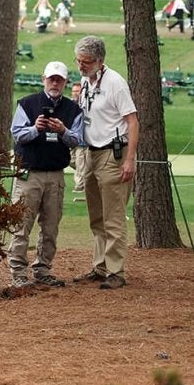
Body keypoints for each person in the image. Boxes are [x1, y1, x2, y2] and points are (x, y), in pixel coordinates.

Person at [7, 61, 84, 288]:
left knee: (51, 226)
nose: (55, 83)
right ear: (43, 79)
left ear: (65, 82)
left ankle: (42, 269)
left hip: (56, 175)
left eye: (59, 80)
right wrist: (36, 128)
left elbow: (78, 139)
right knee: (22, 225)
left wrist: (62, 131)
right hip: (29, 173)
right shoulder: (28, 104)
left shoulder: (73, 110)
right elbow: (18, 135)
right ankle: (18, 272)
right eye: (51, 79)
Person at [72, 35, 138, 290]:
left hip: (113, 153)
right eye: (79, 61)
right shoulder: (86, 81)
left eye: (86, 61)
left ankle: (116, 271)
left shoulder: (115, 83)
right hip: (91, 152)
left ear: (100, 61)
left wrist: (129, 159)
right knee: (96, 216)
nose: (81, 66)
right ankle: (99, 266)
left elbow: (132, 121)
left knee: (113, 217)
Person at [70, 81, 87, 195]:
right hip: (70, 140)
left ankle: (80, 186)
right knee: (71, 161)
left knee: (80, 163)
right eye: (74, 91)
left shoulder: (85, 105)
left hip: (82, 142)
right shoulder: (69, 106)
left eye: (78, 91)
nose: (75, 93)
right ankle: (85, 177)